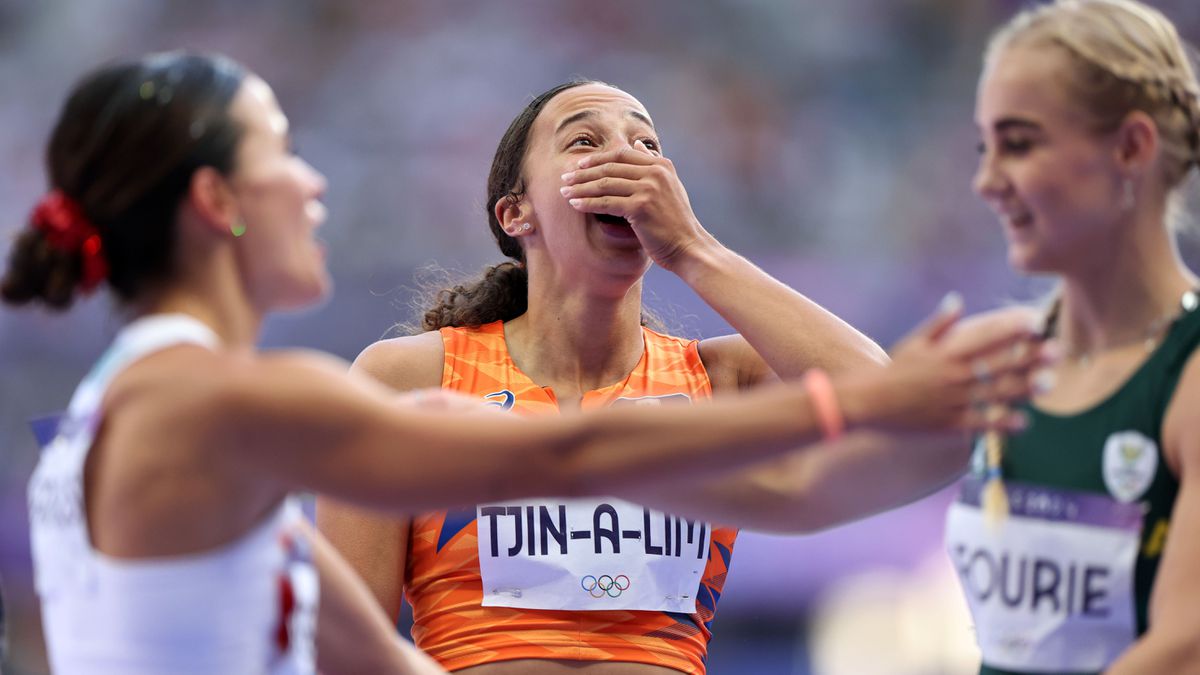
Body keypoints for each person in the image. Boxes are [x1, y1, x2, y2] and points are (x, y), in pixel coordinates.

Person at [2, 53, 1044, 675]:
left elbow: (370, 653)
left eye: (648, 141)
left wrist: (709, 264)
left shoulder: (159, 413)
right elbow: (562, 453)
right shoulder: (246, 399)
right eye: (281, 155)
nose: (317, 183)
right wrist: (871, 400)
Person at [318, 79, 1054, 675]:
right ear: (517, 213)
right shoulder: (412, 377)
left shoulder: (719, 374)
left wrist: (694, 249)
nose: (629, 158)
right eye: (584, 140)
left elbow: (893, 408)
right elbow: (340, 642)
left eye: (647, 144)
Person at [944, 1, 1200, 673]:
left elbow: (1184, 649)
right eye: (985, 146)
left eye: (1019, 144)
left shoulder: (1190, 374)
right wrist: (696, 255)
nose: (986, 181)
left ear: (1131, 147)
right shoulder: (1002, 358)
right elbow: (805, 481)